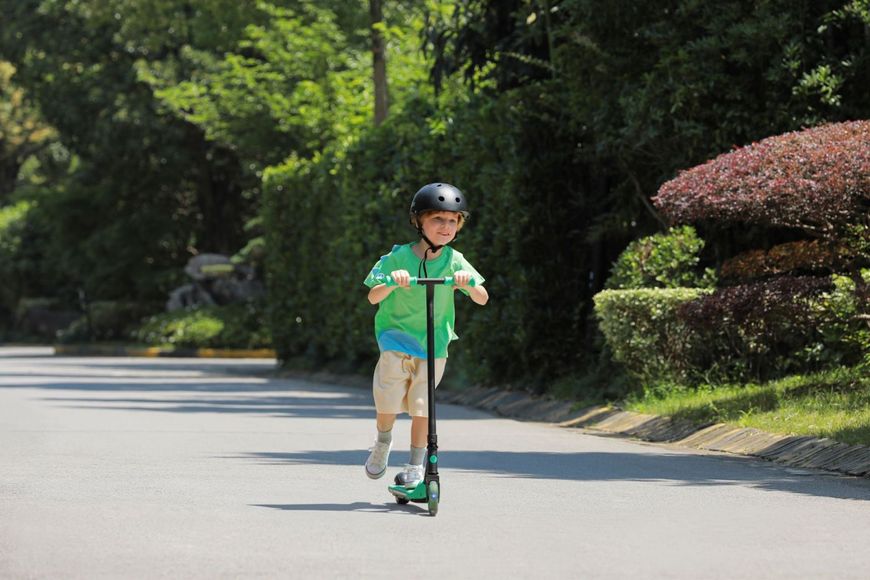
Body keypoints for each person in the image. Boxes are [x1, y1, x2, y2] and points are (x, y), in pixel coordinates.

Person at [363, 182, 489, 488]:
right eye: (437, 219)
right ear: (419, 221)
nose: (445, 227)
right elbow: (373, 296)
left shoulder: (455, 260)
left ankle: (416, 466)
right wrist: (393, 281)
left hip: (434, 344)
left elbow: (482, 297)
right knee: (388, 400)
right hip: (396, 339)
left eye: (452, 221)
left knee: (423, 406)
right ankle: (382, 442)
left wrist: (467, 284)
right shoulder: (396, 258)